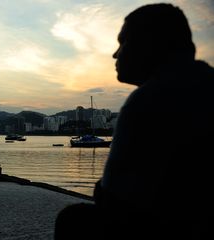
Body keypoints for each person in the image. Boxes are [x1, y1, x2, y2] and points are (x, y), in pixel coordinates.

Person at [55, 3, 214, 239]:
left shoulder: (149, 98)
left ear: (151, 44)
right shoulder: (204, 83)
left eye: (123, 42)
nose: (115, 54)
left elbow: (112, 197)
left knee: (72, 220)